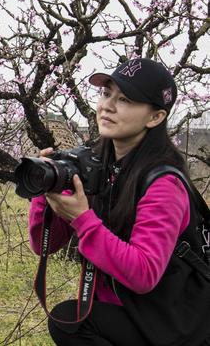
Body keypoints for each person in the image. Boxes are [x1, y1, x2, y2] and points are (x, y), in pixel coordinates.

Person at [28, 57, 210, 346]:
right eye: (106, 93)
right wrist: (46, 189)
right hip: (124, 311)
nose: (107, 106)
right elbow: (44, 246)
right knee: (69, 322)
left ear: (155, 117)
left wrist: (83, 220)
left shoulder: (164, 183)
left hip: (167, 322)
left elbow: (144, 274)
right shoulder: (98, 166)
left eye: (125, 99)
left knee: (70, 321)